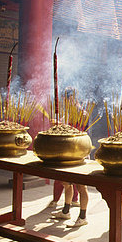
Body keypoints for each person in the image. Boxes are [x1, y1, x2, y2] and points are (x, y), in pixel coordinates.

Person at [50, 88, 90, 227]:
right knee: (66, 183)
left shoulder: (82, 112)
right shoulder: (67, 113)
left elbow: (80, 131)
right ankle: (66, 211)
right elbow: (63, 126)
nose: (65, 101)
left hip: (79, 152)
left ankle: (82, 217)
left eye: (67, 98)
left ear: (73, 97)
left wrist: (63, 125)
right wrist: (57, 123)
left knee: (81, 186)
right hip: (67, 152)